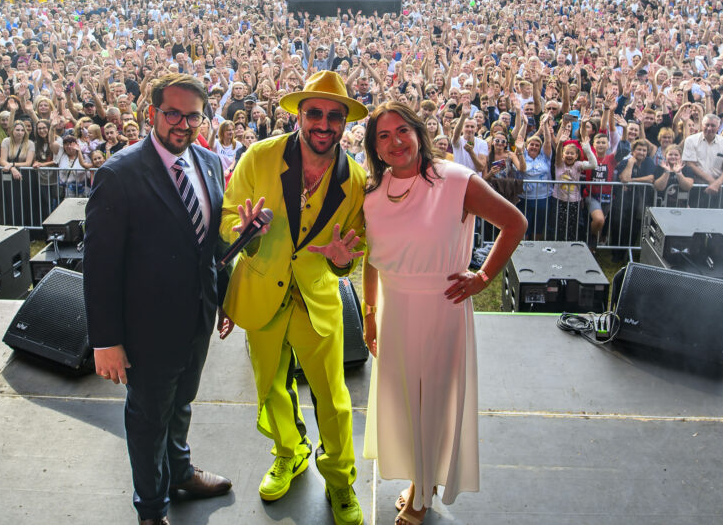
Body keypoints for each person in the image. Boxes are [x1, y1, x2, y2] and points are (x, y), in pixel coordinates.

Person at [360, 102, 525, 524]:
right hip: (395, 310)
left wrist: (484, 277)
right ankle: (421, 478)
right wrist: (369, 313)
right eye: (383, 136)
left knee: (432, 401)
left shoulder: (455, 180)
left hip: (441, 307)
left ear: (419, 133)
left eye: (402, 130)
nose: (395, 142)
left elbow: (515, 223)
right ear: (375, 147)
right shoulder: (373, 193)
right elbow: (371, 259)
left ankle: (422, 493)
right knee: (404, 401)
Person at [219, 70, 369, 525]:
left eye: (334, 116)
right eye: (315, 113)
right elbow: (228, 217)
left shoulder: (355, 179)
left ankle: (340, 479)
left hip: (317, 299)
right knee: (270, 387)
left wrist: (342, 263)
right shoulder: (259, 156)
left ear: (344, 123)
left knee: (333, 399)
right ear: (299, 115)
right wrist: (243, 232)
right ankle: (290, 451)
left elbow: (353, 248)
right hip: (261, 291)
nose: (323, 124)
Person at [84, 73, 232, 525]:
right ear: (152, 113)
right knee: (148, 417)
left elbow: (211, 245)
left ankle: (180, 473)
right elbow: (100, 266)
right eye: (173, 114)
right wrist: (105, 340)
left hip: (197, 315)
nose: (183, 124)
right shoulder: (119, 174)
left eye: (193, 116)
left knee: (182, 400)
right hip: (145, 328)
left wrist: (226, 299)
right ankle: (151, 510)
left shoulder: (209, 162)